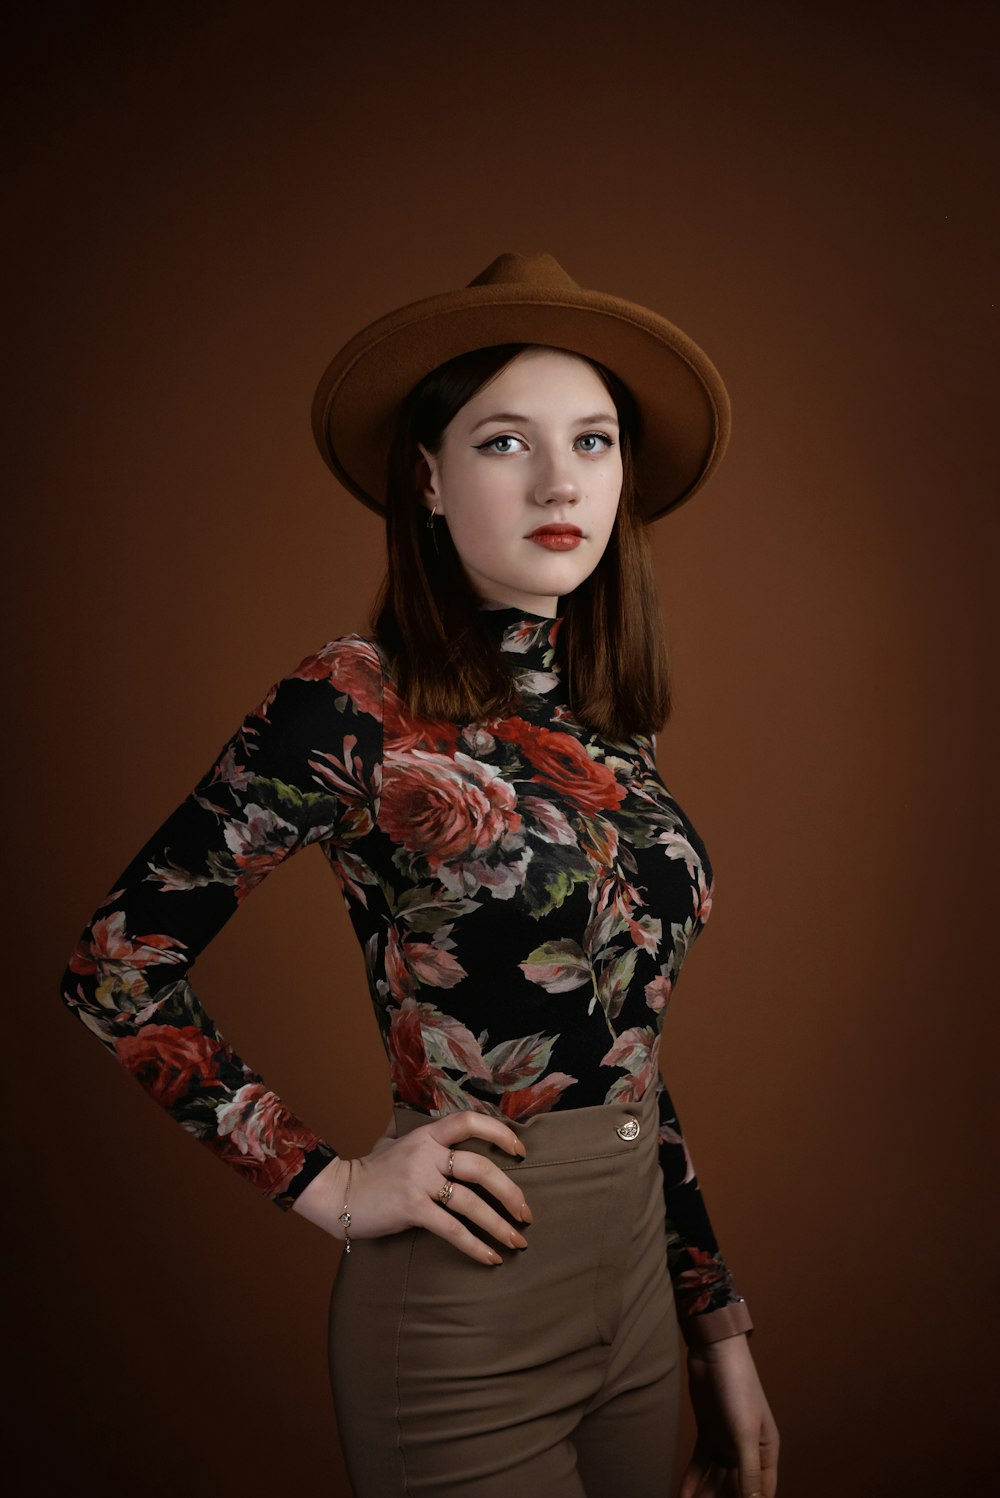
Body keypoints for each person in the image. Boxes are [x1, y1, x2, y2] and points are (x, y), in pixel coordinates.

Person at [60, 251, 780, 1498]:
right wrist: (329, 1185)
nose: (562, 480)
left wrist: (717, 1326)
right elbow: (116, 966)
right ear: (430, 478)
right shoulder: (350, 698)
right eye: (506, 442)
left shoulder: (613, 727)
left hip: (637, 1311)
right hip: (463, 1325)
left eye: (594, 441)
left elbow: (626, 1057)